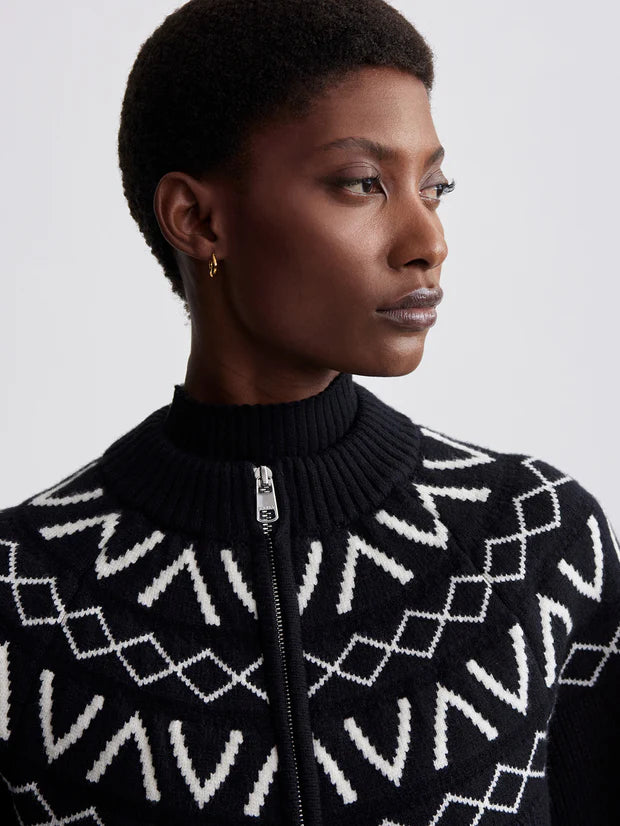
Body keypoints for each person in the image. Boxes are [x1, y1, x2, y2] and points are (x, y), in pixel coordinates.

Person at [1, 0, 618, 823]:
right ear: (198, 219)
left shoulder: (535, 545)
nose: (427, 241)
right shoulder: (22, 596)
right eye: (364, 184)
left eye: (433, 187)